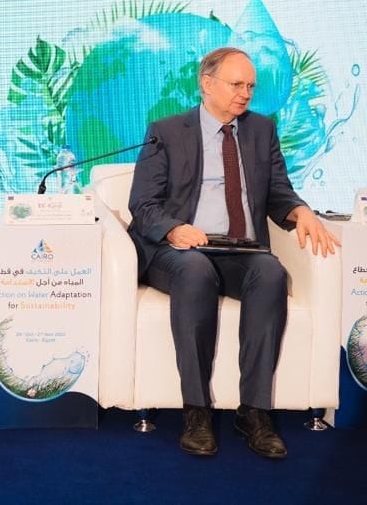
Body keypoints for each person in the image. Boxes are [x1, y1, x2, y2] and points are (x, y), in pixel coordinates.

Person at [127, 47, 339, 459]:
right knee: (196, 273)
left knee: (271, 273)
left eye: (251, 86)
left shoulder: (261, 130)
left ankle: (254, 412)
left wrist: (301, 211)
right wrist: (174, 229)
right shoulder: (166, 131)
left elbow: (278, 192)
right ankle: (196, 412)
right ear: (207, 84)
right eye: (237, 84)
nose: (246, 93)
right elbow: (143, 204)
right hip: (179, 250)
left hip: (240, 249)